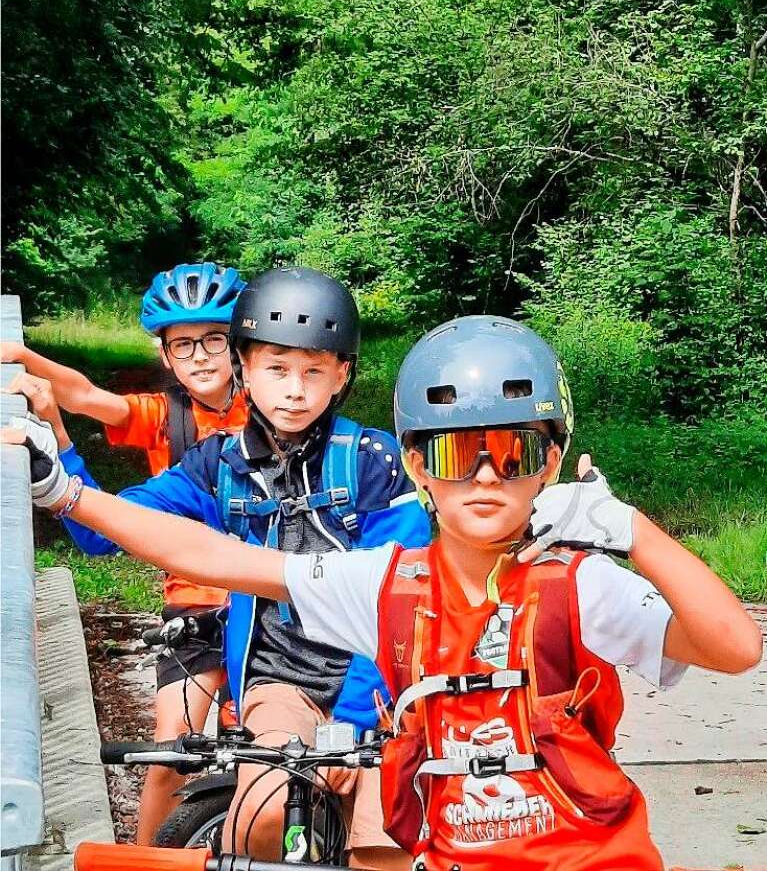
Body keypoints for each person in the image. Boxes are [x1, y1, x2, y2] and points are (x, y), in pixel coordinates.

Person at [7, 315, 761, 871]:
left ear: (552, 458)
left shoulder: (579, 585)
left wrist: (631, 529)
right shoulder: (387, 581)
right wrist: (65, 492)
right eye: (456, 452)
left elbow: (733, 647)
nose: (487, 476)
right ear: (417, 466)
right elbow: (213, 555)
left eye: (514, 449)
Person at [9, 266, 431, 869]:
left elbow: (400, 601)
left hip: (382, 684)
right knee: (263, 817)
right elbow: (107, 534)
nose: (294, 390)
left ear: (341, 375)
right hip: (281, 677)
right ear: (246, 368)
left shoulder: (373, 463)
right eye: (276, 369)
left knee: (381, 840)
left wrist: (354, 725)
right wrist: (59, 474)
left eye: (314, 371)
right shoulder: (219, 464)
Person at [1, 261, 248, 845]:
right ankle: (141, 859)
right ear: (165, 357)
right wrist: (18, 357)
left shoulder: (274, 405)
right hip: (196, 600)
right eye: (183, 346)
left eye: (215, 339)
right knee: (170, 752)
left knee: (267, 751)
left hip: (266, 600)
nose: (201, 357)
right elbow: (88, 395)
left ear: (239, 344)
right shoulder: (167, 418)